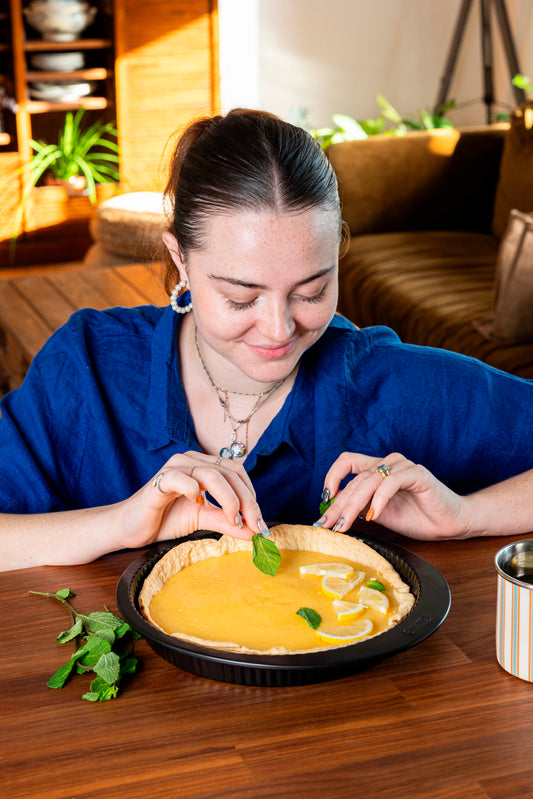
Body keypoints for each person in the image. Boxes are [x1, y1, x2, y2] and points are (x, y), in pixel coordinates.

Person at [1, 108, 533, 572]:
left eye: (312, 290)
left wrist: (468, 515)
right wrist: (121, 524)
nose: (280, 329)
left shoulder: (389, 382)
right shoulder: (89, 365)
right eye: (241, 297)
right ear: (180, 258)